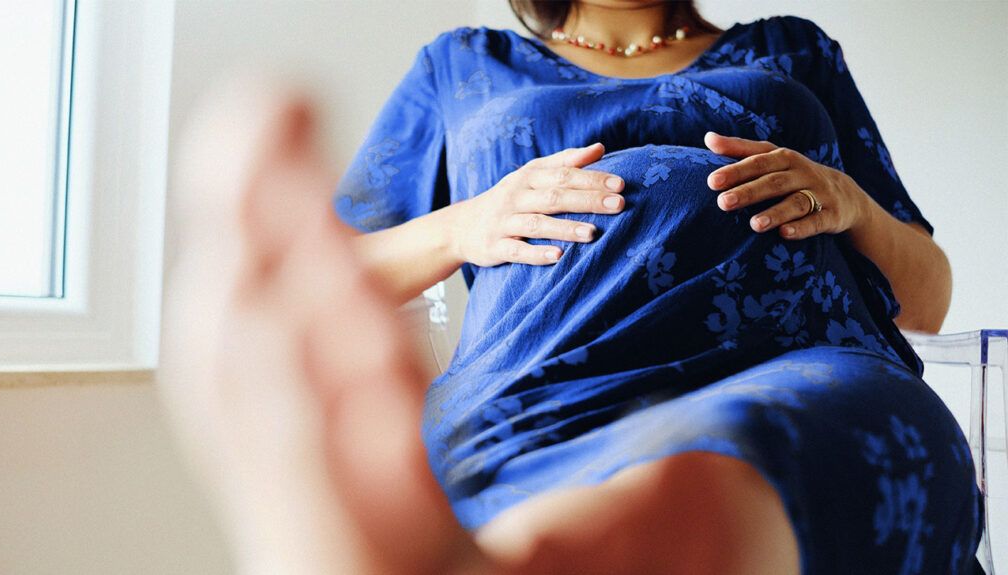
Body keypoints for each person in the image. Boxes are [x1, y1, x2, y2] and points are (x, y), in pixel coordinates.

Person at [160, 1, 983, 574]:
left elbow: (929, 296)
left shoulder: (795, 51)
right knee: (588, 469)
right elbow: (331, 273)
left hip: (802, 360)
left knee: (775, 432)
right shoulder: (462, 65)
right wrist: (462, 225)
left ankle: (518, 561)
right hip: (537, 376)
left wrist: (854, 205)